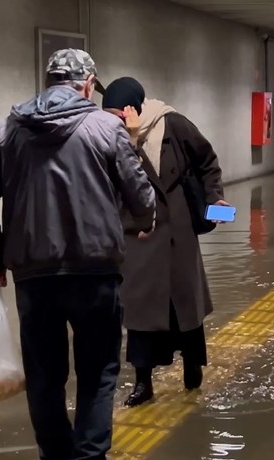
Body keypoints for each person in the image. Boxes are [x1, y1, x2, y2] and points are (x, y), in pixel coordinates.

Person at [0, 49, 156, 460]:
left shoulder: (6, 130)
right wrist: (137, 223)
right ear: (88, 84)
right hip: (95, 273)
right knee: (98, 372)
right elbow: (142, 199)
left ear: (49, 80)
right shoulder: (108, 128)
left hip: (34, 275)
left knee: (45, 376)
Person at [100, 77, 227, 408]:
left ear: (135, 109)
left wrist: (216, 198)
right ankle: (143, 382)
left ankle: (192, 367)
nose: (111, 122)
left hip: (178, 231)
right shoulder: (108, 138)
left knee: (184, 304)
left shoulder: (174, 125)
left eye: (117, 114)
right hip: (137, 236)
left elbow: (207, 163)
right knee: (141, 312)